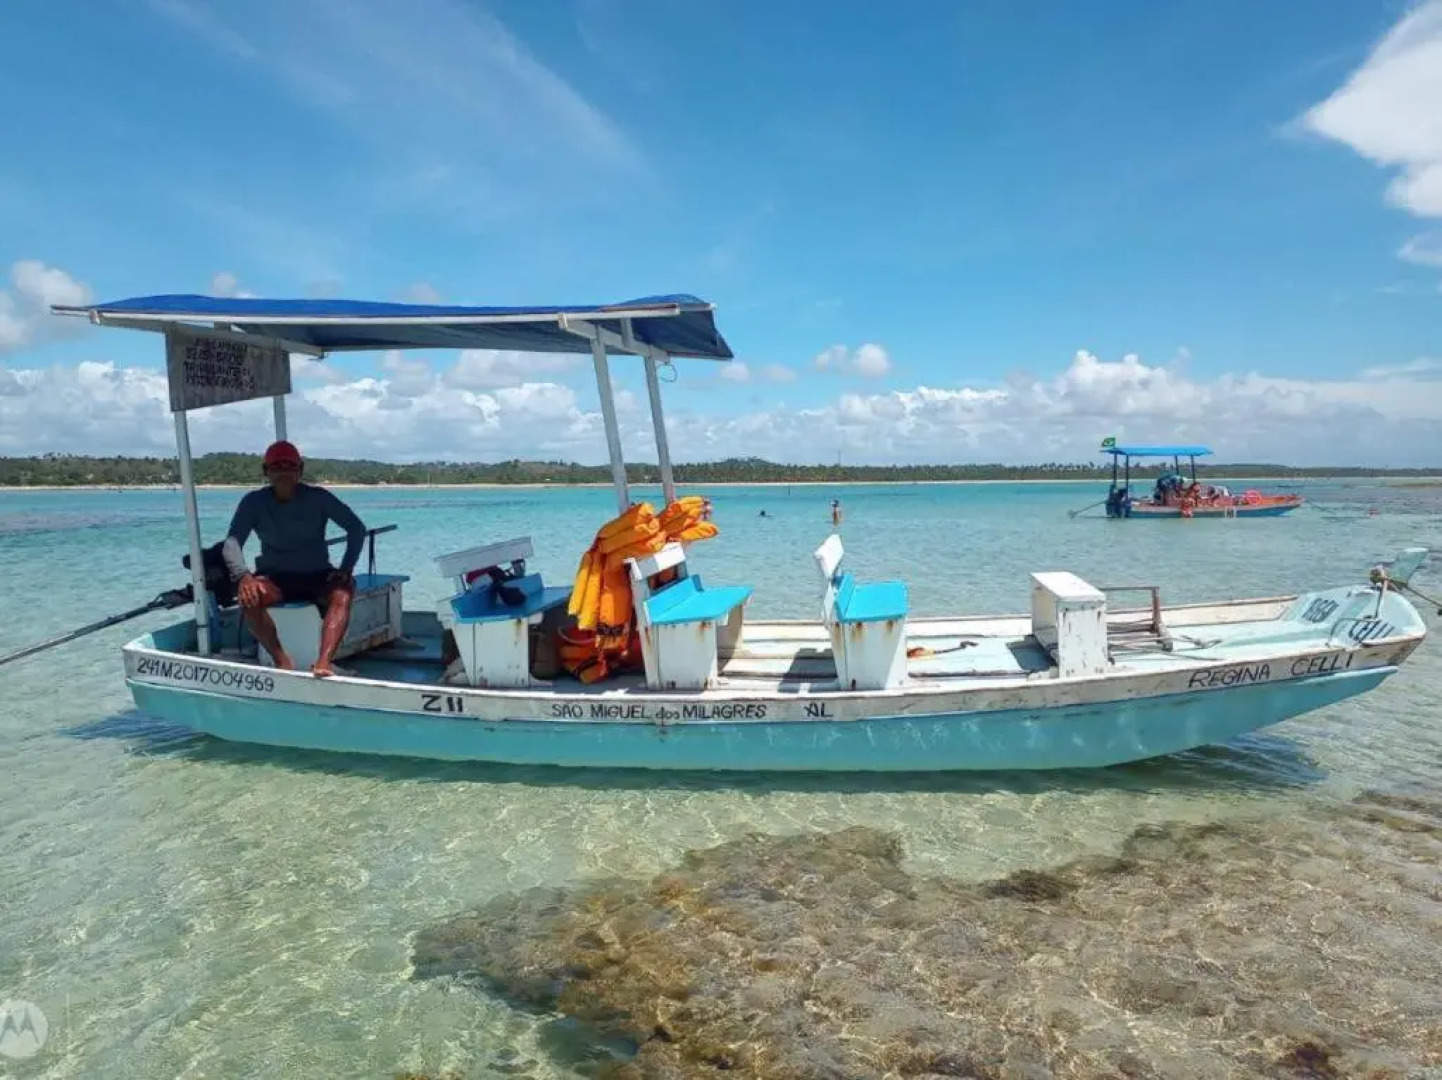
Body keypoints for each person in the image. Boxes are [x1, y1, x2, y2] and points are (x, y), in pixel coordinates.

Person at [221, 440, 368, 677]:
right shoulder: (253, 502)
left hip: (317, 576)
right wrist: (243, 577)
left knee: (343, 591)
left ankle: (323, 663)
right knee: (249, 597)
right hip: (275, 578)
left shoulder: (318, 498)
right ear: (266, 471)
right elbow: (232, 542)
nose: (284, 472)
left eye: (290, 466)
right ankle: (281, 660)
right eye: (277, 466)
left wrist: (346, 567)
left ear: (299, 469)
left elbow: (356, 528)